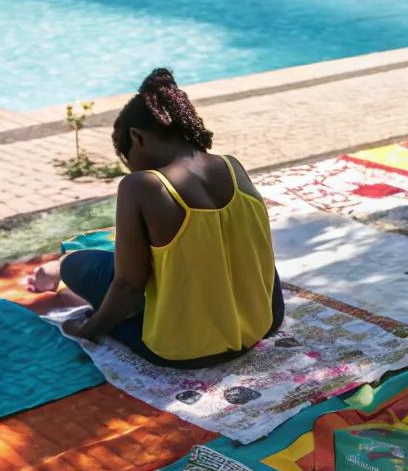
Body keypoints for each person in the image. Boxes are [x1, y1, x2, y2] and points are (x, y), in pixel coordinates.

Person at [25, 68, 284, 365]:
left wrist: (87, 329)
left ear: (136, 137)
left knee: (75, 264)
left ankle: (61, 274)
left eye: (127, 158)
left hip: (186, 351)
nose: (130, 168)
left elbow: (129, 288)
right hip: (262, 324)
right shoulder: (232, 166)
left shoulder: (143, 185)